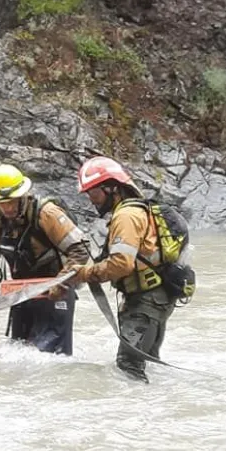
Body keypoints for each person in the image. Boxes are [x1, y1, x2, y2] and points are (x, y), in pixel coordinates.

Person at [62, 156, 176, 383]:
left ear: (112, 188)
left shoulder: (126, 216)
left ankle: (137, 415)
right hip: (155, 300)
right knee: (148, 363)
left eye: (93, 193)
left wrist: (83, 273)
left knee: (129, 369)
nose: (91, 201)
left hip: (145, 304)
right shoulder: (137, 210)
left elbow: (121, 264)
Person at [0, 163, 90, 356]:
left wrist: (62, 281)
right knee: (17, 352)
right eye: (1, 202)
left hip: (55, 293)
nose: (7, 207)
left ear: (22, 195)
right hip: (21, 293)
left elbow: (81, 249)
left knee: (53, 358)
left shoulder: (47, 214)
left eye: (11, 201)